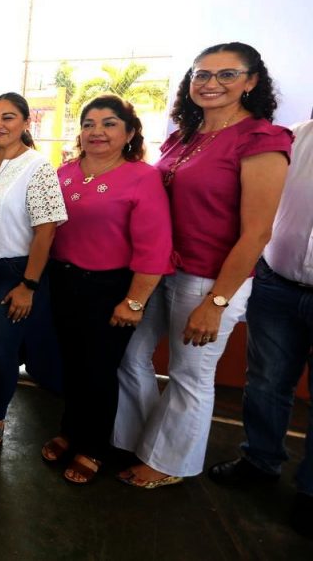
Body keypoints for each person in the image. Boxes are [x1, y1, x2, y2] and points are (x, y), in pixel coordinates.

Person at [113, 42, 293, 489]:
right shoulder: (185, 136)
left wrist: (216, 302)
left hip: (208, 278)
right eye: (201, 74)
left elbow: (257, 233)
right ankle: (139, 440)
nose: (211, 83)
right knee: (131, 357)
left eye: (226, 74)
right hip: (159, 269)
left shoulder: (261, 139)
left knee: (189, 375)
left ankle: (170, 462)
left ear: (251, 82)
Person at [43, 95, 173, 484]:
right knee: (71, 363)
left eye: (109, 123)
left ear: (129, 133)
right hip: (62, 281)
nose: (96, 131)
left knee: (99, 370)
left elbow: (155, 246)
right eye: (89, 124)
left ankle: (93, 447)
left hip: (110, 288)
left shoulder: (142, 177)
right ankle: (70, 430)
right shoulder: (63, 173)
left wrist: (134, 301)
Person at [207, 118, 313, 538]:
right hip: (277, 281)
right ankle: (260, 460)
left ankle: (311, 490)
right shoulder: (294, 136)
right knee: (267, 380)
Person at [0, 92, 67, 459]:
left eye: (8, 117)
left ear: (25, 122)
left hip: (14, 273)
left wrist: (29, 285)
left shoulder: (38, 167)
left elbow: (46, 231)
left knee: (0, 348)